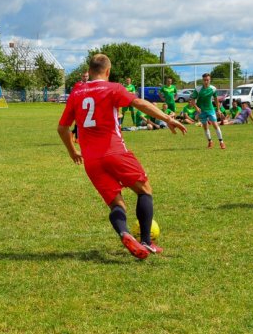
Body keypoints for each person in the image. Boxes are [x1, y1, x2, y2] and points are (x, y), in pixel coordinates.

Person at [58, 54, 186, 260]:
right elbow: (139, 103)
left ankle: (125, 233)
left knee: (117, 205)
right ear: (108, 71)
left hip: (91, 160)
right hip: (115, 152)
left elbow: (62, 128)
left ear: (89, 71)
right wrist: (166, 118)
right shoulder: (114, 88)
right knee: (144, 190)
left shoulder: (77, 92)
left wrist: (73, 151)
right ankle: (146, 241)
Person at [191, 73, 225, 149]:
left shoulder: (213, 89)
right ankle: (210, 142)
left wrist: (218, 110)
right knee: (205, 127)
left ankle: (221, 142)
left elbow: (216, 99)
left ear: (210, 80)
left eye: (207, 80)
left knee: (215, 125)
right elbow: (192, 100)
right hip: (201, 111)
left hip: (210, 109)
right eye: (204, 80)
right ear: (202, 80)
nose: (206, 81)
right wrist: (196, 108)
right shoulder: (198, 89)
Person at [72, 70, 90, 143]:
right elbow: (74, 95)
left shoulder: (90, 84)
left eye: (86, 76)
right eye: (84, 76)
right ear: (81, 77)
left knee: (85, 122)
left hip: (88, 106)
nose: (85, 78)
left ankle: (73, 133)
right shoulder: (78, 85)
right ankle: (77, 137)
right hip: (79, 106)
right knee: (78, 122)